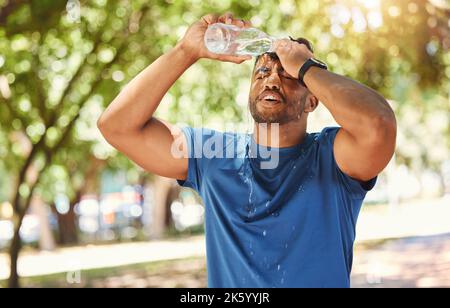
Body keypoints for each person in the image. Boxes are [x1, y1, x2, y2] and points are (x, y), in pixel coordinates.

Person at [97, 12, 397, 288]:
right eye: (263, 70)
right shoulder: (213, 155)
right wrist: (185, 51)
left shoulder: (334, 158)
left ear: (312, 100)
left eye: (288, 74)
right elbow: (117, 126)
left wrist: (305, 66)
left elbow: (378, 125)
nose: (273, 79)